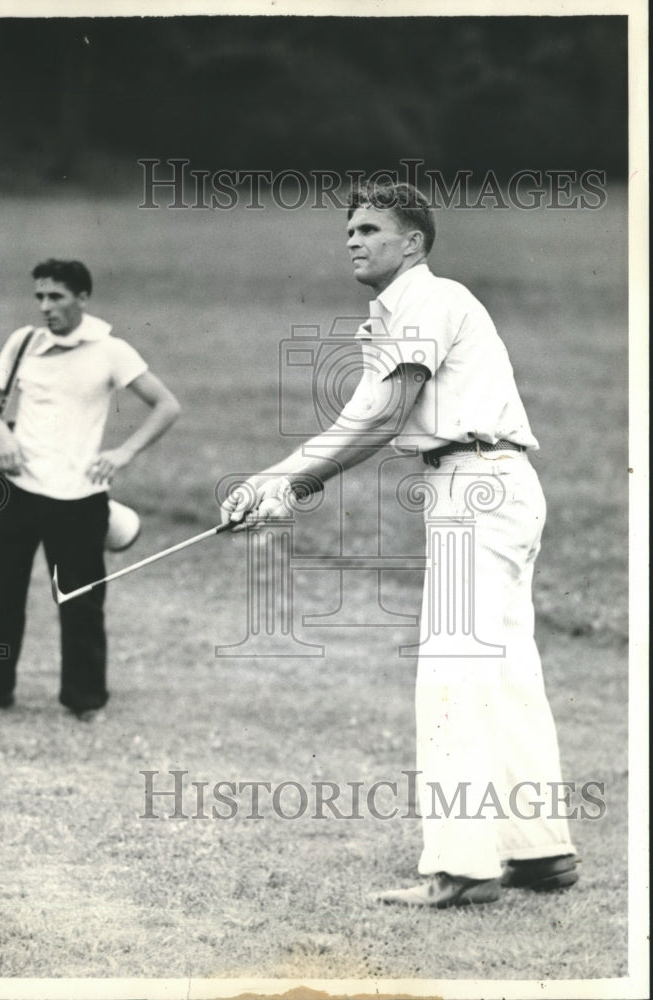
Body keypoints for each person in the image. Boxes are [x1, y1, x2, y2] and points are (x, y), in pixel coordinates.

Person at [220, 183, 579, 907]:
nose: (352, 241)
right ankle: (538, 852)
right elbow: (358, 416)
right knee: (502, 670)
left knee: (453, 673)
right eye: (348, 231)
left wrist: (293, 487)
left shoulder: (429, 300)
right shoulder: (390, 318)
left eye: (369, 229)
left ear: (412, 241)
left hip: (477, 486)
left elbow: (384, 418)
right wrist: (271, 481)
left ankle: (464, 868)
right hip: (485, 487)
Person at [0, 259, 180, 720]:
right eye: (40, 297)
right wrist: (3, 436)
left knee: (81, 604)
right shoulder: (23, 342)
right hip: (17, 492)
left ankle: (84, 702)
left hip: (79, 499)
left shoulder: (111, 351)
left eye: (56, 297)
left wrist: (123, 454)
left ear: (82, 298)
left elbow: (166, 405)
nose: (46, 306)